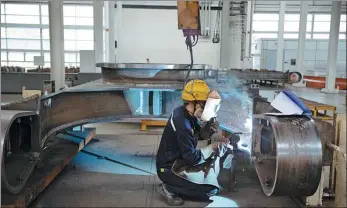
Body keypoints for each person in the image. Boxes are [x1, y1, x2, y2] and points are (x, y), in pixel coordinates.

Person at [156, 79, 229, 206]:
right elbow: (191, 157)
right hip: (168, 168)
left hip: (179, 160)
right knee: (209, 191)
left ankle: (176, 184)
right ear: (193, 102)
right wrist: (212, 148)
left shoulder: (186, 114)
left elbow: (195, 136)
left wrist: (207, 130)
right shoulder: (182, 123)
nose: (206, 107)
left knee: (209, 169)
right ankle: (169, 187)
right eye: (204, 103)